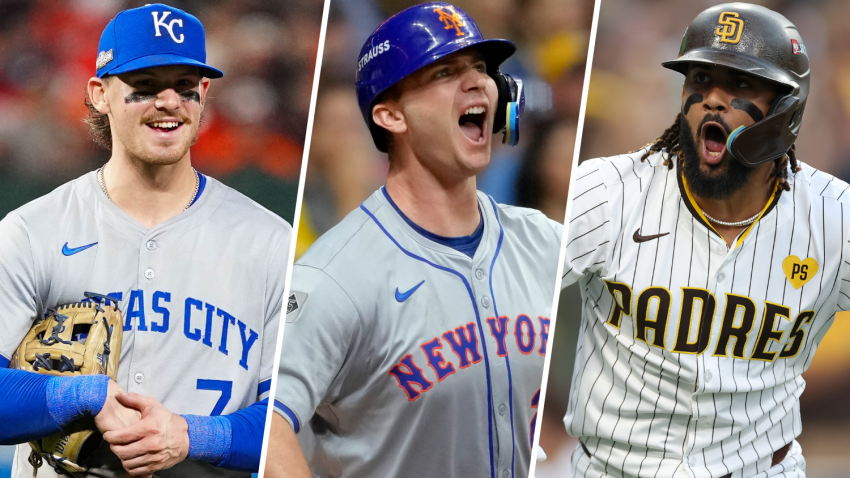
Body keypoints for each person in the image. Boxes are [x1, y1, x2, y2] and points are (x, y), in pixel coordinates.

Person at [265, 3, 562, 477]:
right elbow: (269, 426)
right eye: (445, 71)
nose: (477, 83)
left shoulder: (543, 241)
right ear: (391, 116)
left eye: (481, 68)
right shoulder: (335, 276)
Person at [0, 4, 291, 477]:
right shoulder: (33, 231)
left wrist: (193, 435)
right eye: (146, 87)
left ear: (204, 94)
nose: (169, 102)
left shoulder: (270, 242)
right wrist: (74, 396)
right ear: (100, 94)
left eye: (185, 87)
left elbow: (294, 418)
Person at [561, 3, 831, 477]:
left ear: (786, 110)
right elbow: (506, 298)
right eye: (700, 80)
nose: (712, 100)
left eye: (741, 85)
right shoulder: (606, 192)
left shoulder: (834, 215)